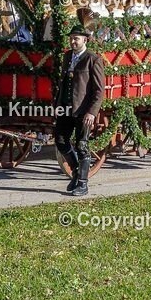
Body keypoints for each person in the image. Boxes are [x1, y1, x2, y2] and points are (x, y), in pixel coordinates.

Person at [54, 25, 104, 197]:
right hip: (65, 107)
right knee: (60, 140)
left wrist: (92, 112)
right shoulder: (67, 56)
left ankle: (83, 184)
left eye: (76, 38)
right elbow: (63, 83)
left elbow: (99, 90)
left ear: (85, 40)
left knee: (82, 145)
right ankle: (76, 172)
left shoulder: (93, 59)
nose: (73, 41)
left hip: (83, 110)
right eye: (71, 38)